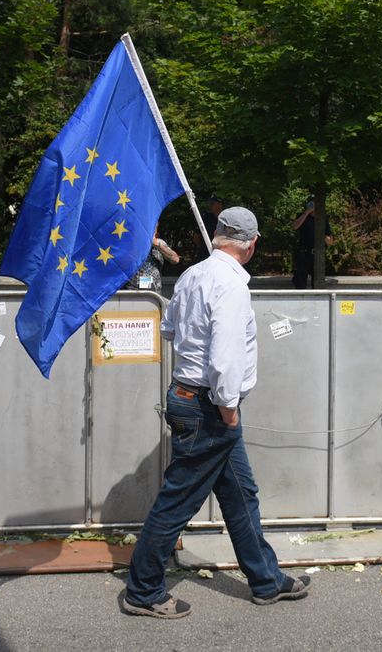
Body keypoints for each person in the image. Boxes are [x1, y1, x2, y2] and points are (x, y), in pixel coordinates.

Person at [123, 207, 308, 619]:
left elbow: (168, 327)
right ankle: (143, 590)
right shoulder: (231, 285)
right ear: (252, 244)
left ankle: (266, 580)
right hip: (211, 406)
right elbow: (225, 359)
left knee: (241, 494)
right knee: (177, 502)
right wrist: (228, 412)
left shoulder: (193, 275)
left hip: (193, 399)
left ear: (218, 235)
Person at [291, 199, 333, 289]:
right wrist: (307, 213)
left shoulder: (323, 218)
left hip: (317, 254)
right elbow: (294, 226)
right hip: (304, 253)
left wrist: (325, 238)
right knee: (300, 282)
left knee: (318, 282)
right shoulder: (302, 217)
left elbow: (330, 240)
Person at [131, 226, 180, 293]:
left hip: (153, 293)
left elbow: (175, 259)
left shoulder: (159, 243)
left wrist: (156, 244)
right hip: (131, 291)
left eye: (155, 227)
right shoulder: (131, 242)